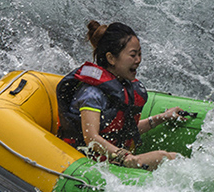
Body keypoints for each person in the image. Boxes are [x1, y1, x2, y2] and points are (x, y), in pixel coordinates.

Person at [57, 21, 181, 170]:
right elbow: (91, 139)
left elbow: (125, 130)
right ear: (111, 58)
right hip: (82, 165)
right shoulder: (92, 94)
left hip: (113, 161)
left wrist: (163, 117)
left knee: (170, 158)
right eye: (133, 55)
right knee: (164, 157)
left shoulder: (123, 88)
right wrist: (126, 158)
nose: (138, 60)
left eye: (140, 54)